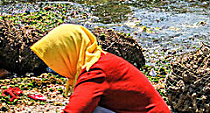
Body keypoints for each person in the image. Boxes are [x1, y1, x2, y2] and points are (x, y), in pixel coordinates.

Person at [31, 24, 171, 113]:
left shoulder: (94, 72)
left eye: (54, 59)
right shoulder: (97, 59)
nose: (52, 66)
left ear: (66, 54)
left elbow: (77, 110)